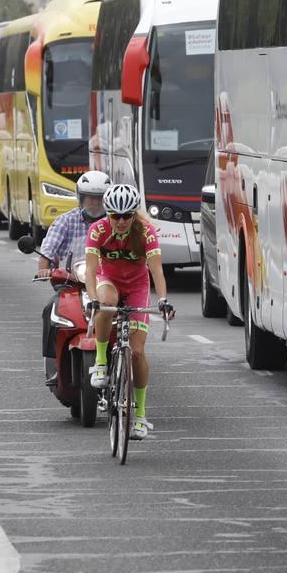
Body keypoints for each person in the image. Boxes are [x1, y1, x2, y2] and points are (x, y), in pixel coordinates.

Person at [84, 183, 173, 440]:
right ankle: (101, 362)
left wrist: (164, 300)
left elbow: (156, 271)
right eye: (115, 216)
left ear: (134, 214)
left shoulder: (145, 232)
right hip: (108, 279)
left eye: (127, 216)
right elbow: (90, 271)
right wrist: (92, 298)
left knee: (136, 351)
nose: (121, 221)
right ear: (107, 213)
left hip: (137, 284)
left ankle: (141, 415)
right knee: (106, 300)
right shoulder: (98, 230)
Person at [36, 170, 110, 386]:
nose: (94, 203)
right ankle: (53, 367)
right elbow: (46, 255)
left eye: (99, 198)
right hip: (71, 285)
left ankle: (128, 358)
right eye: (90, 198)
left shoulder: (117, 223)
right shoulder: (65, 222)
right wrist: (44, 269)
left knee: (126, 316)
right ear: (80, 198)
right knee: (51, 310)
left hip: (106, 284)